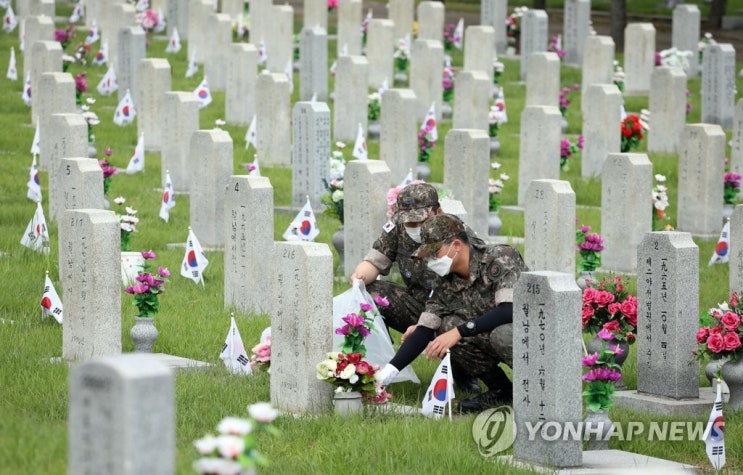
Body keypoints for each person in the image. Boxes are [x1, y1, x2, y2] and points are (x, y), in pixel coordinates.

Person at [375, 213, 527, 413]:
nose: (430, 261)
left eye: (434, 253)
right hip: (488, 332)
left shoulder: (500, 257)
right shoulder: (443, 280)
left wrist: (460, 331)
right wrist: (386, 374)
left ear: (456, 245)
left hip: (530, 333)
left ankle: (537, 391)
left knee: (500, 334)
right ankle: (502, 390)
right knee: (445, 326)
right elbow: (424, 329)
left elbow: (510, 310)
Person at [350, 183, 484, 393]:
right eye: (408, 220)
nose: (413, 225)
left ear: (437, 211)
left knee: (453, 323)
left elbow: (473, 288)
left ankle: (464, 374)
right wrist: (359, 277)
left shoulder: (457, 234)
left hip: (454, 309)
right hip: (417, 304)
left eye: (420, 220)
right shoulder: (397, 229)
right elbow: (375, 261)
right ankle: (380, 362)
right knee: (371, 294)